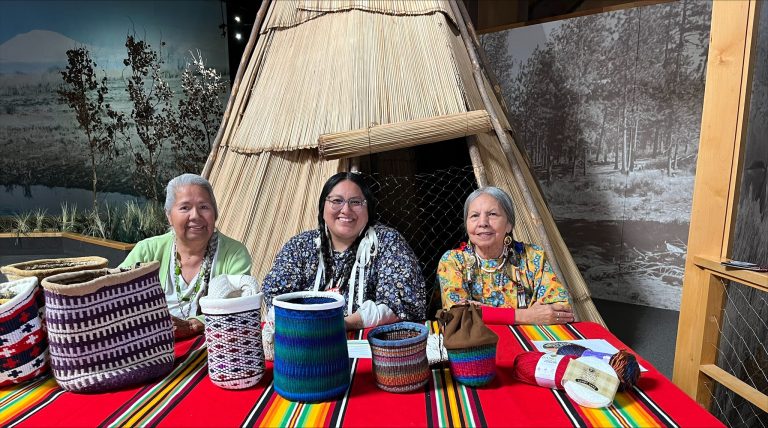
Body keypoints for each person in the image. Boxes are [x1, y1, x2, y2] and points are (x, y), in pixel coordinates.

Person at [262, 172, 426, 330]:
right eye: (337, 201)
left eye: (355, 202)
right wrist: (309, 325)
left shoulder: (388, 242)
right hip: (304, 340)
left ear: (368, 208)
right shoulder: (301, 246)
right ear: (322, 207)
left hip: (368, 347)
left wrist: (345, 324)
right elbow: (276, 296)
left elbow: (400, 301)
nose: (346, 210)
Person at [120, 174, 252, 339]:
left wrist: (193, 325)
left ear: (215, 214)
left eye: (204, 207)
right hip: (149, 346)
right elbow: (116, 296)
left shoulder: (234, 254)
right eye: (185, 207)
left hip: (212, 347)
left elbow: (237, 308)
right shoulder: (147, 250)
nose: (196, 215)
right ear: (169, 216)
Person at [437, 186, 572, 325]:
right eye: (474, 216)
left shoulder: (532, 257)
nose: (483, 223)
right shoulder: (453, 261)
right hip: (476, 344)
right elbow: (457, 313)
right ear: (466, 225)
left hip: (528, 341)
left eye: (492, 214)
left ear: (509, 224)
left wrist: (480, 311)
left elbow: (560, 309)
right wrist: (524, 316)